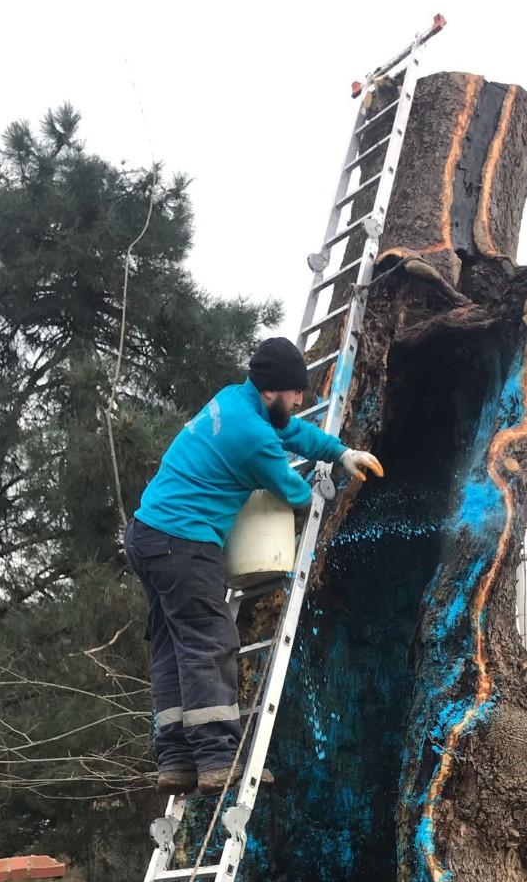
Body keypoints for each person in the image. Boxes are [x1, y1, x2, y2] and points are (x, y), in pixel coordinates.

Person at [125, 337, 382, 797]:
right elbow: (295, 494)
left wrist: (341, 452)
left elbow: (290, 433)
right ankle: (217, 761)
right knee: (210, 642)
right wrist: (321, 484)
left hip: (147, 535)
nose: (302, 400)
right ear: (271, 391)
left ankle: (176, 761)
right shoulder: (251, 437)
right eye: (296, 393)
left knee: (172, 647)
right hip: (184, 542)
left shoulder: (233, 400)